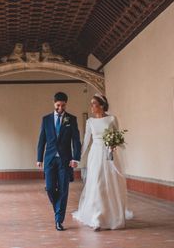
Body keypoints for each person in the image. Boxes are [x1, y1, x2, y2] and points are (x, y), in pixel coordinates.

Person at [72, 94, 131, 230]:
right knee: (97, 182)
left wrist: (113, 144)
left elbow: (119, 137)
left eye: (94, 104)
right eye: (91, 103)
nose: (92, 106)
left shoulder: (112, 119)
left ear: (102, 105)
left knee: (110, 183)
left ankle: (112, 215)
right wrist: (77, 157)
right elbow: (86, 140)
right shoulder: (90, 122)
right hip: (95, 154)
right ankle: (97, 217)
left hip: (109, 154)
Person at [36, 91, 81, 231]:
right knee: (49, 188)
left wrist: (76, 158)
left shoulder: (71, 119)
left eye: (63, 105)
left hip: (65, 160)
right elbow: (41, 140)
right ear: (54, 103)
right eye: (58, 105)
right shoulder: (46, 119)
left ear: (66, 104)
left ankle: (58, 220)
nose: (60, 108)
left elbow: (76, 140)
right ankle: (58, 208)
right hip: (49, 159)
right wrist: (39, 158)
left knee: (63, 189)